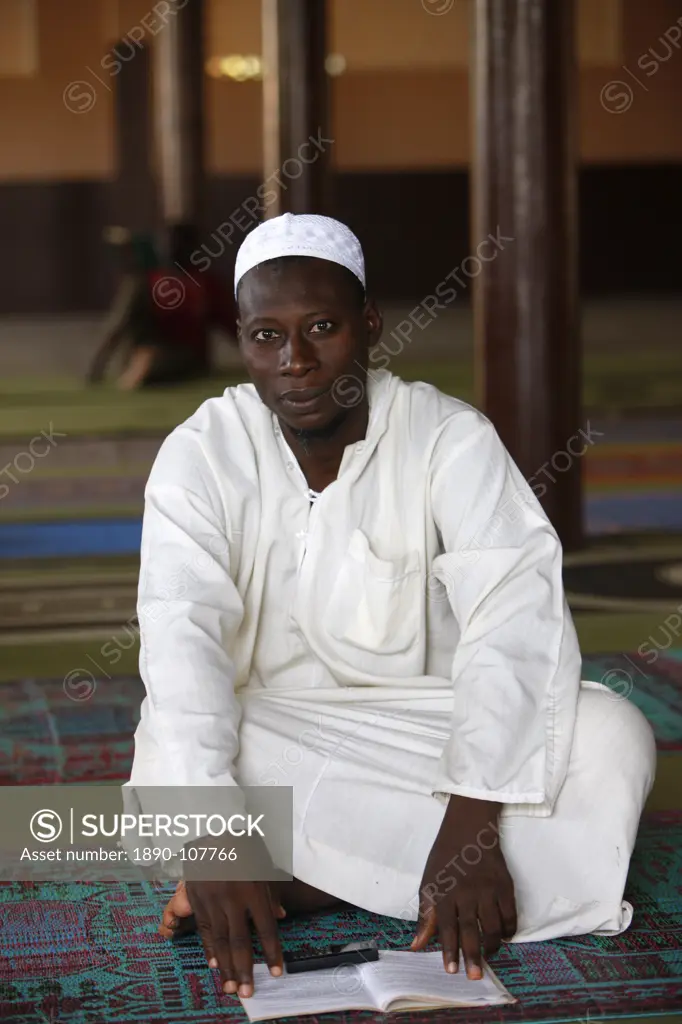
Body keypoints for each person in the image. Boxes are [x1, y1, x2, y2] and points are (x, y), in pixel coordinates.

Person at [127, 213, 656, 1000]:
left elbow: (516, 621)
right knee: (178, 756)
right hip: (273, 732)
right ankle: (308, 874)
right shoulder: (201, 453)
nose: (296, 362)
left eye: (323, 328)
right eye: (266, 337)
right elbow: (180, 643)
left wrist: (474, 822)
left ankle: (316, 887)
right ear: (239, 341)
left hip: (432, 732)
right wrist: (216, 835)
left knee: (614, 736)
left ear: (369, 325)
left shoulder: (449, 439)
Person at [87, 224, 238, 390]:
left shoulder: (206, 286)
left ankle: (145, 370)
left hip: (191, 361)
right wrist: (96, 369)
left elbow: (232, 326)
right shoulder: (144, 284)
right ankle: (139, 371)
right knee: (148, 355)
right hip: (147, 356)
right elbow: (117, 328)